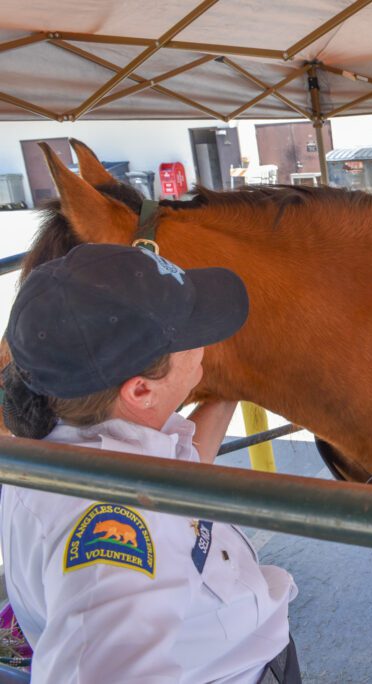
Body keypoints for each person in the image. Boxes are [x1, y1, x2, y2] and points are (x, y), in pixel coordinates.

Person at [0, 244, 300, 683]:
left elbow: (182, 469)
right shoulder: (113, 531)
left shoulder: (77, 431)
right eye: (191, 334)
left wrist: (233, 387)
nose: (207, 340)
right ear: (140, 391)